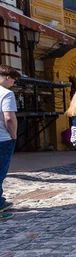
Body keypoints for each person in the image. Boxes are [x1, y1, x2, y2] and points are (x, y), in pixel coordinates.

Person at [0, 65, 20, 221]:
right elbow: (9, 118)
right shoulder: (6, 94)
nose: (14, 83)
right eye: (14, 79)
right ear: (7, 77)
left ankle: (1, 202)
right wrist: (13, 135)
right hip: (2, 139)